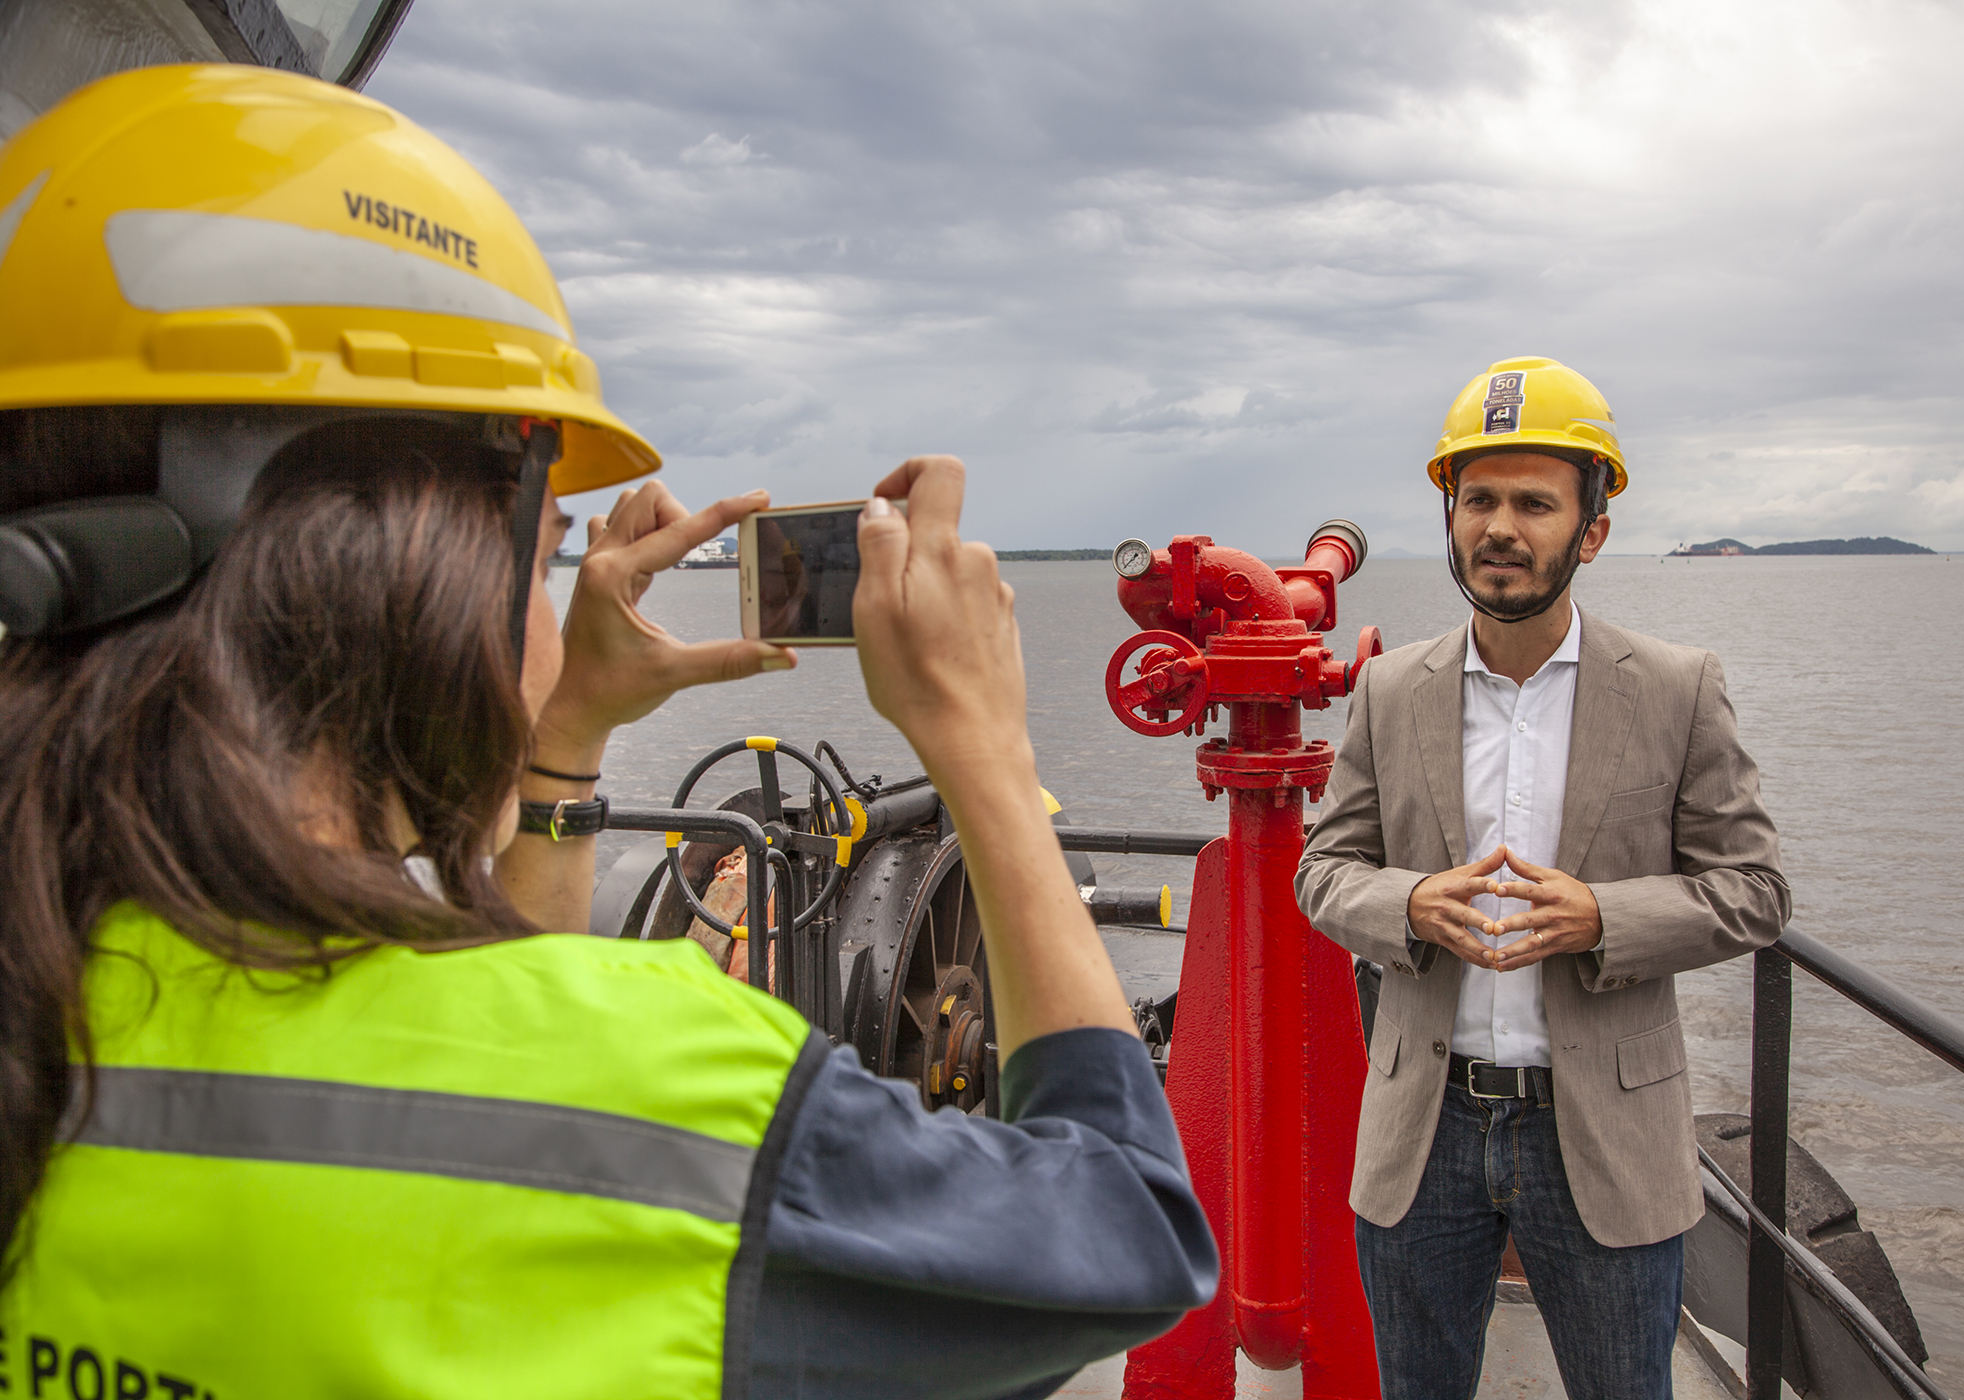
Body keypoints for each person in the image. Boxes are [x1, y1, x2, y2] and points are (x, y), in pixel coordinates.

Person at [0, 67, 1213, 1399]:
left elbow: (449, 1072)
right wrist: (986, 749)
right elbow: (1124, 1229)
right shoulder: (658, 1087)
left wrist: (567, 730)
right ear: (408, 559)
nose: (549, 608)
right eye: (542, 550)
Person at [1295, 357, 1789, 1399]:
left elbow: (1752, 888)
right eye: (1477, 498)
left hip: (1602, 1134)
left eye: (1533, 501)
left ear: (1591, 529)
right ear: (1450, 513)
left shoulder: (1674, 688)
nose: (1499, 527)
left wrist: (1605, 914)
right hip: (1425, 1132)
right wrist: (1410, 904)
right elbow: (1324, 871)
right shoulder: (1390, 691)